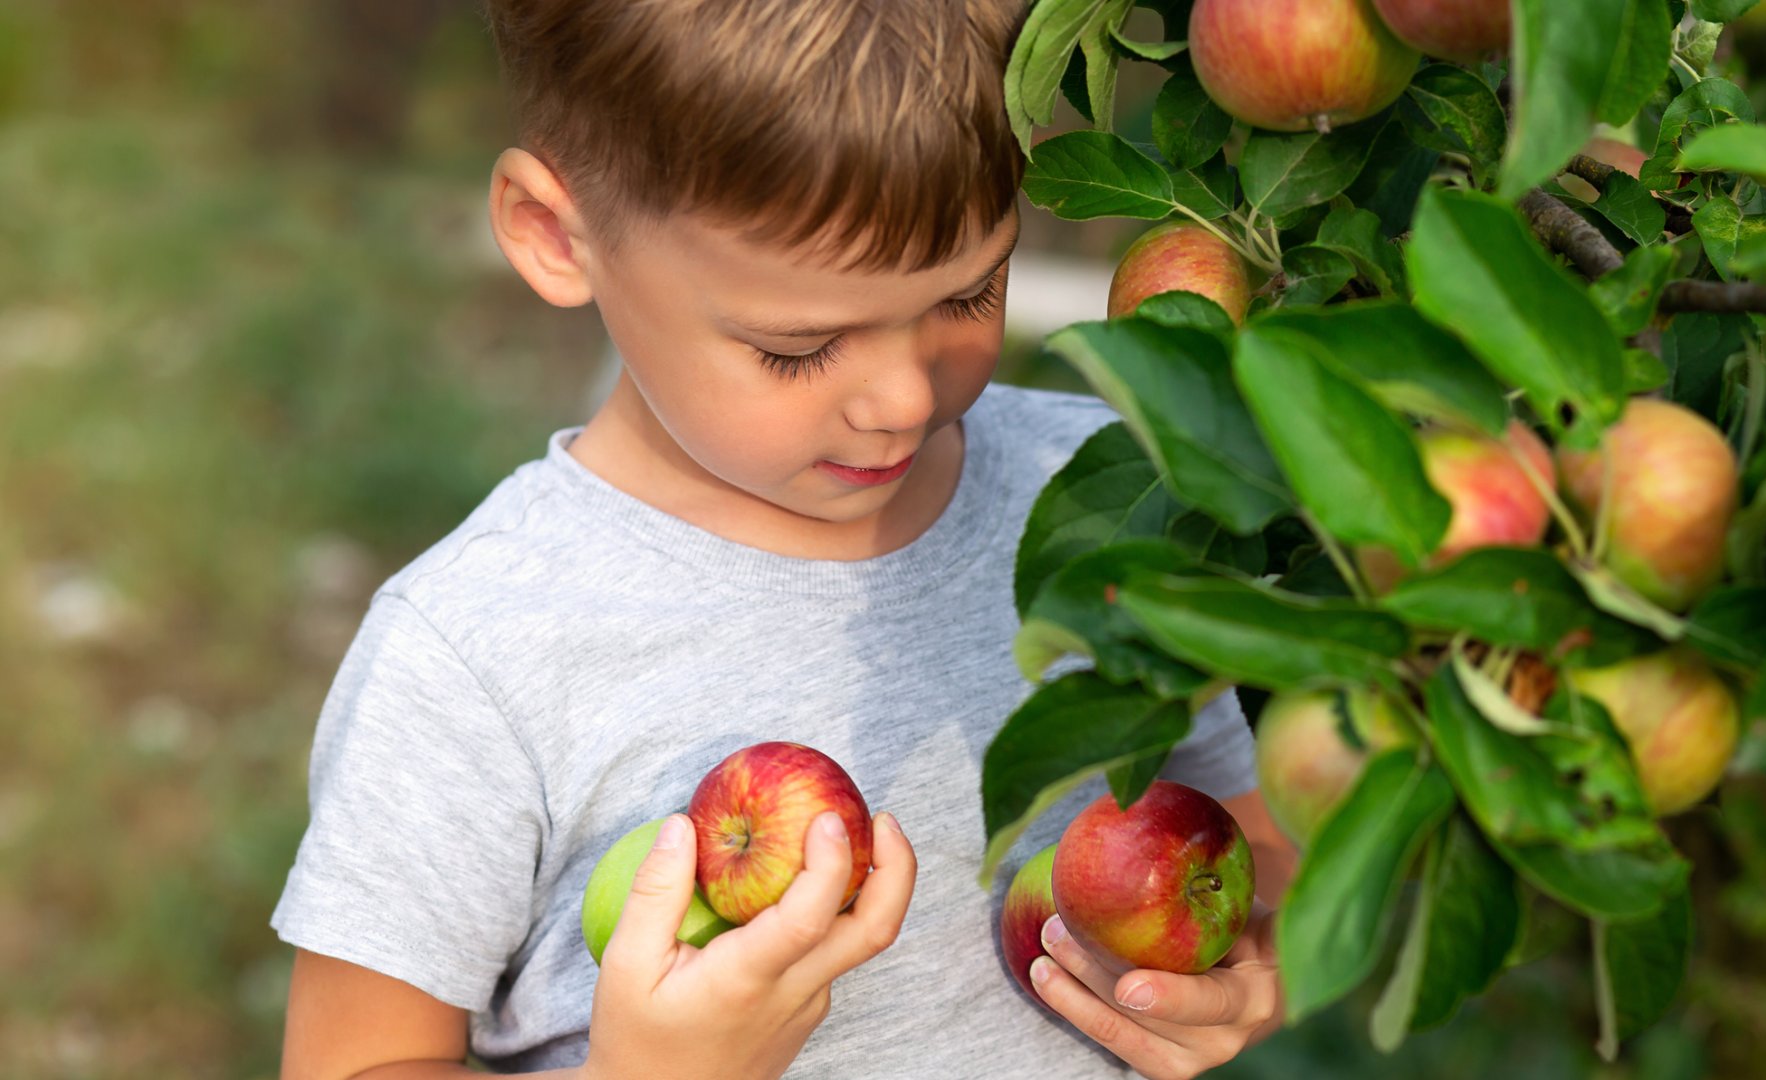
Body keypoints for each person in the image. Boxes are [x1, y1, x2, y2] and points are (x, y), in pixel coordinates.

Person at [271, 2, 1294, 1077]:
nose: (901, 396)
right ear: (554, 235)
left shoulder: (1102, 499)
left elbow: (1250, 828)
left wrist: (1244, 967)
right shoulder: (480, 650)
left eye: (970, 292)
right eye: (799, 348)